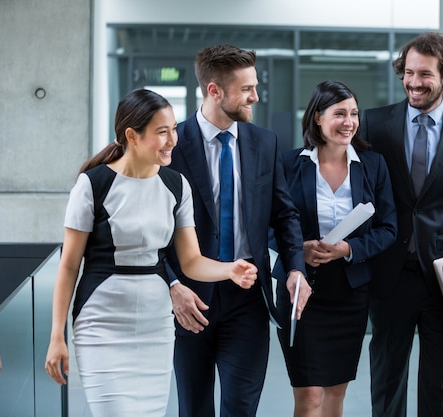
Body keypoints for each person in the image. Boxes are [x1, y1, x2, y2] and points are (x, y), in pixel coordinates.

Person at [44, 88, 258, 417]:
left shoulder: (177, 186)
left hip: (155, 326)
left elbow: (191, 261)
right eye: (162, 132)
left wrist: (228, 270)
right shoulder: (92, 185)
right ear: (132, 135)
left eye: (173, 129)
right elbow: (69, 266)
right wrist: (57, 336)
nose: (173, 139)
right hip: (101, 323)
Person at [165, 44, 311, 417]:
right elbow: (156, 231)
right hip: (190, 300)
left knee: (241, 408)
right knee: (194, 409)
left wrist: (295, 268)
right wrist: (172, 286)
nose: (255, 97)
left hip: (248, 297)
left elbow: (285, 214)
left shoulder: (264, 142)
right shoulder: (173, 147)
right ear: (214, 90)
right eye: (246, 89)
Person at [359, 31, 443, 417]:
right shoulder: (374, 124)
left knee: (438, 383)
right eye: (408, 73)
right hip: (389, 273)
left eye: (425, 75)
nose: (414, 82)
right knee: (387, 378)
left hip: (442, 278)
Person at [274, 80, 397, 417]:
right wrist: (299, 248)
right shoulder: (287, 164)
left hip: (349, 293)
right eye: (339, 113)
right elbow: (268, 226)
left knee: (334, 394)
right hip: (300, 291)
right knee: (309, 396)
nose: (349, 122)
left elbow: (389, 229)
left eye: (354, 114)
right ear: (317, 117)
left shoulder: (372, 165)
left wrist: (348, 249)